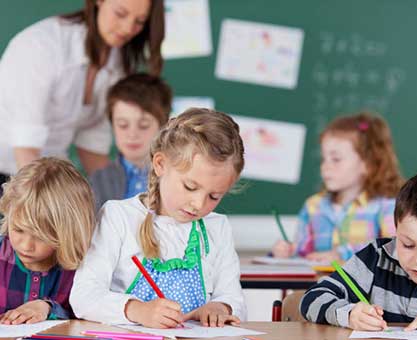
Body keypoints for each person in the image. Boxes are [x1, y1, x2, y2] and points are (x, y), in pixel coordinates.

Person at [70, 108, 247, 328]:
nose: (199, 204)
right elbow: (83, 297)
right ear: (160, 164)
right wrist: (137, 310)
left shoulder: (216, 227)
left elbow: (233, 297)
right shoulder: (118, 217)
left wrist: (220, 307)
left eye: (214, 196)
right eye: (190, 187)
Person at [0, 0, 165, 190]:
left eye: (140, 21)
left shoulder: (117, 63)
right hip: (15, 167)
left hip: (49, 170)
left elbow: (91, 145)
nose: (128, 28)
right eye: (120, 13)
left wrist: (119, 201)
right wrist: (41, 208)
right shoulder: (42, 46)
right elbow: (26, 147)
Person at [300, 170, 417, 331]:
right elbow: (312, 299)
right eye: (408, 245)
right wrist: (349, 314)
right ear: (396, 228)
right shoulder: (376, 256)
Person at [272, 112, 403, 262]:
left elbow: (395, 248)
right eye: (324, 159)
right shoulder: (313, 206)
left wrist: (343, 254)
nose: (325, 166)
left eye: (336, 159)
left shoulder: (386, 206)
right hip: (319, 285)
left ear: (368, 163)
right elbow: (303, 253)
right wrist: (289, 251)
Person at [0, 158, 95, 324]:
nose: (26, 246)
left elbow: (90, 315)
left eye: (41, 236)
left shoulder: (85, 267)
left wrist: (48, 308)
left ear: (69, 232)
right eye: (18, 229)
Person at [89, 73, 172, 211]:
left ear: (164, 125)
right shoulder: (97, 182)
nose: (132, 134)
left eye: (144, 125)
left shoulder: (179, 176)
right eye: (122, 125)